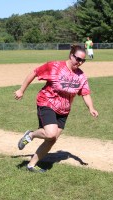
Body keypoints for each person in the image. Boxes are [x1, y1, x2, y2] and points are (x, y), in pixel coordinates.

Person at [14, 44, 99, 173]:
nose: (80, 63)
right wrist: (21, 90)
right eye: (78, 59)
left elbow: (85, 93)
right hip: (47, 102)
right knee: (50, 133)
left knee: (52, 139)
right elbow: (35, 72)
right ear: (71, 56)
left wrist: (91, 108)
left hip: (64, 110)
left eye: (83, 60)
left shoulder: (81, 76)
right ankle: (30, 135)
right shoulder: (54, 67)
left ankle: (31, 165)